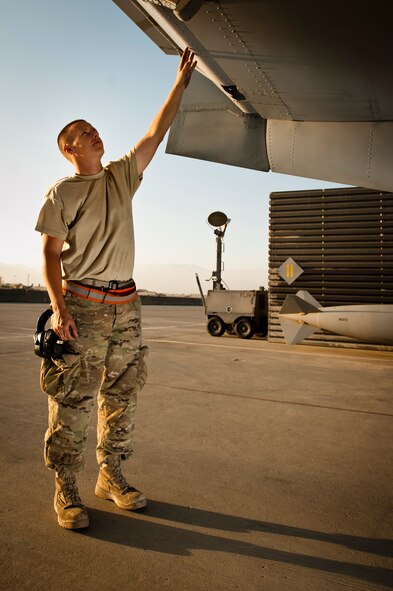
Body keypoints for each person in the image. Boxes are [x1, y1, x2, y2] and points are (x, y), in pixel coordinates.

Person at [35, 48, 197, 530]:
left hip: (126, 305)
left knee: (123, 396)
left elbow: (154, 133)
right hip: (82, 305)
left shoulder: (122, 176)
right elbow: (48, 255)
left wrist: (179, 85)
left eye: (95, 128)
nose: (95, 134)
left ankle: (112, 476)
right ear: (70, 148)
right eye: (84, 133)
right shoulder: (63, 192)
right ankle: (66, 489)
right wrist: (58, 306)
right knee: (73, 400)